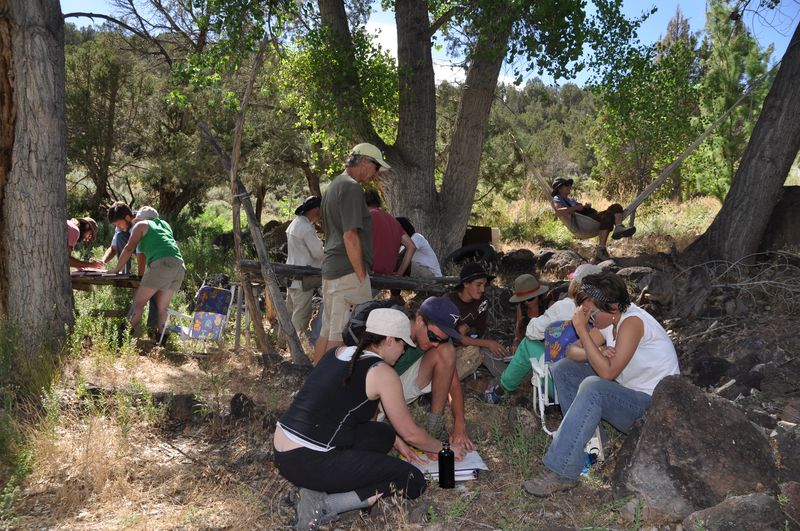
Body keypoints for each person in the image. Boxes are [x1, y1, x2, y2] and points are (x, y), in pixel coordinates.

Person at [274, 308, 466, 530]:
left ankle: (318, 487)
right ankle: (326, 504)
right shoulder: (382, 372)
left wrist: (395, 440)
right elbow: (411, 433)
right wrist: (445, 447)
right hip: (310, 461)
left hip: (284, 452)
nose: (404, 352)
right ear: (389, 340)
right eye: (403, 344)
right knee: (412, 479)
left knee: (384, 434)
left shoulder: (337, 353)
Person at [522, 272, 679, 497]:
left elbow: (607, 373)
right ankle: (596, 447)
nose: (587, 317)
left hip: (654, 409)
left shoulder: (632, 323)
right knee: (562, 369)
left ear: (613, 306)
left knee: (594, 387)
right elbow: (571, 351)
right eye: (585, 312)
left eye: (591, 312)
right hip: (630, 396)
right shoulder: (609, 320)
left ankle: (561, 471)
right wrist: (596, 349)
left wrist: (584, 331)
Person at [314, 143, 390, 364]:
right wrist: (361, 275)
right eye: (376, 167)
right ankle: (330, 392)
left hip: (332, 271)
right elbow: (350, 236)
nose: (376, 174)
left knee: (328, 331)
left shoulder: (334, 185)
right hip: (348, 272)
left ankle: (314, 386)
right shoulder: (351, 188)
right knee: (343, 337)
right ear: (364, 161)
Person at [483, 264, 602, 404]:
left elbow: (531, 332)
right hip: (593, 385)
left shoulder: (564, 307)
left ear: (575, 285)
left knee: (528, 344)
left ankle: (501, 389)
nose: (526, 302)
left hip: (562, 385)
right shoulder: (608, 313)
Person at [389, 296, 476, 449]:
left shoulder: (440, 338)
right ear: (420, 320)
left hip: (401, 387)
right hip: (379, 392)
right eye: (432, 337)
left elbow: (453, 385)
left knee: (447, 351)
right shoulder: (394, 332)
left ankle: (434, 428)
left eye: (441, 339)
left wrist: (460, 423)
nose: (435, 344)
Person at [106, 209, 185, 338]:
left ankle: (120, 338)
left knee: (138, 304)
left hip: (161, 264)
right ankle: (162, 342)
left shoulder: (140, 225)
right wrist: (142, 276)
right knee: (162, 308)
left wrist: (116, 269)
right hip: (179, 266)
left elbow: (129, 248)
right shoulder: (165, 226)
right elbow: (142, 254)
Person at [104, 202, 159, 333]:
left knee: (153, 289)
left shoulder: (141, 221)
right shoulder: (122, 227)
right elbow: (113, 248)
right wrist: (102, 261)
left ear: (128, 218)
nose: (118, 227)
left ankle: (152, 328)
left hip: (154, 254)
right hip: (136, 248)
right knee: (120, 236)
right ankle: (125, 271)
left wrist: (141, 277)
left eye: (118, 224)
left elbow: (142, 253)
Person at [446, 263, 508, 379]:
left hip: (468, 343)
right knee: (475, 351)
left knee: (491, 352)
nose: (482, 289)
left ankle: (510, 375)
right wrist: (488, 343)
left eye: (484, 285)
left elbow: (479, 330)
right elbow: (453, 338)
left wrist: (470, 331)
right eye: (478, 285)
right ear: (465, 283)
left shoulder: (482, 302)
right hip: (445, 350)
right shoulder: (449, 302)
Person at [551, 177, 635, 261]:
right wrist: (576, 207)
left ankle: (618, 227)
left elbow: (579, 207)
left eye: (569, 184)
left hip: (591, 216)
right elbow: (557, 212)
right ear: (559, 189)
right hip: (585, 221)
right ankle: (601, 249)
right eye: (566, 185)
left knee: (616, 207)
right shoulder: (557, 198)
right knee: (608, 216)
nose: (569, 186)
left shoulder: (570, 199)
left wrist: (585, 206)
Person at [285, 196, 324, 341]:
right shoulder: (306, 227)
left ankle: (282, 342)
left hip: (292, 275)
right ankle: (294, 347)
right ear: (315, 210)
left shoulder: (295, 223)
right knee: (300, 315)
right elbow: (318, 253)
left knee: (289, 312)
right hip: (303, 277)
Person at [364, 189, 416, 277]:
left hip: (366, 274)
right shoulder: (393, 220)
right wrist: (399, 273)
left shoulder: (366, 218)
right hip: (386, 276)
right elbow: (411, 246)